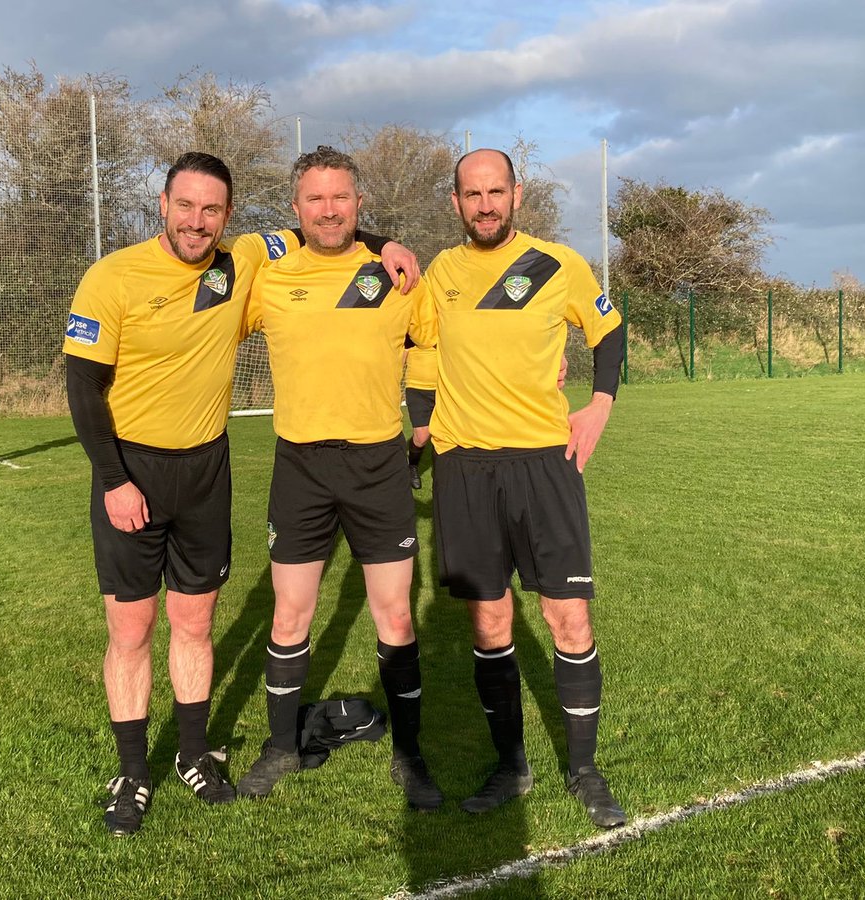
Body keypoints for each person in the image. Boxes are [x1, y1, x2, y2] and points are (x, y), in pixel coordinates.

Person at [61, 152, 420, 837]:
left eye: (212, 210)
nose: (198, 222)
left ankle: (195, 754)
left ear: (228, 216)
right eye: (186, 206)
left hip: (205, 470)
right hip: (130, 471)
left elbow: (331, 227)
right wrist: (112, 480)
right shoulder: (111, 277)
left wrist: (388, 242)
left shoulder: (245, 258)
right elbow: (82, 388)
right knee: (131, 630)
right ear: (162, 205)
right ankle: (134, 773)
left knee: (195, 623)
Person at [424, 148, 627, 828]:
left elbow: (609, 331)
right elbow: (412, 340)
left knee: (568, 618)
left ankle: (585, 769)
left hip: (544, 462)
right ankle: (510, 763)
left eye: (496, 191)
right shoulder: (440, 273)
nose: (485, 204)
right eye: (472, 194)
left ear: (517, 194)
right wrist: (420, 424)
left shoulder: (557, 263)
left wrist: (599, 404)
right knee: (489, 620)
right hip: (465, 468)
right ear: (455, 202)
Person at [236, 146, 443, 811]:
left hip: (379, 465)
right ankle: (280, 746)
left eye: (341, 197)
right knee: (291, 612)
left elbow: (435, 344)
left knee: (394, 616)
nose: (329, 209)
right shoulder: (269, 277)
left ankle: (411, 755)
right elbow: (208, 314)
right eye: (316, 199)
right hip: (300, 465)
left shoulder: (397, 275)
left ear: (360, 204)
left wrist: (422, 423)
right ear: (295, 209)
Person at [402, 345, 437, 489]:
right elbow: (402, 355)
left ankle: (444, 473)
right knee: (422, 437)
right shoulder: (413, 328)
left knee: (444, 434)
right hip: (417, 389)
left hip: (444, 388)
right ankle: (413, 466)